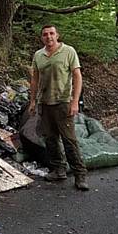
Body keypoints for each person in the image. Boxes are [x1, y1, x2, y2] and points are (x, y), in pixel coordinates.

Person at [29, 24, 89, 191]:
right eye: (45, 34)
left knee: (69, 140)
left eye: (51, 33)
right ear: (42, 38)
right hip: (45, 103)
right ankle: (58, 170)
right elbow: (35, 79)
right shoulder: (38, 55)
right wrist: (33, 101)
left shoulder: (68, 51)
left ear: (57, 35)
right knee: (50, 139)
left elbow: (77, 76)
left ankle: (80, 175)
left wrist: (75, 101)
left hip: (63, 102)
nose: (48, 37)